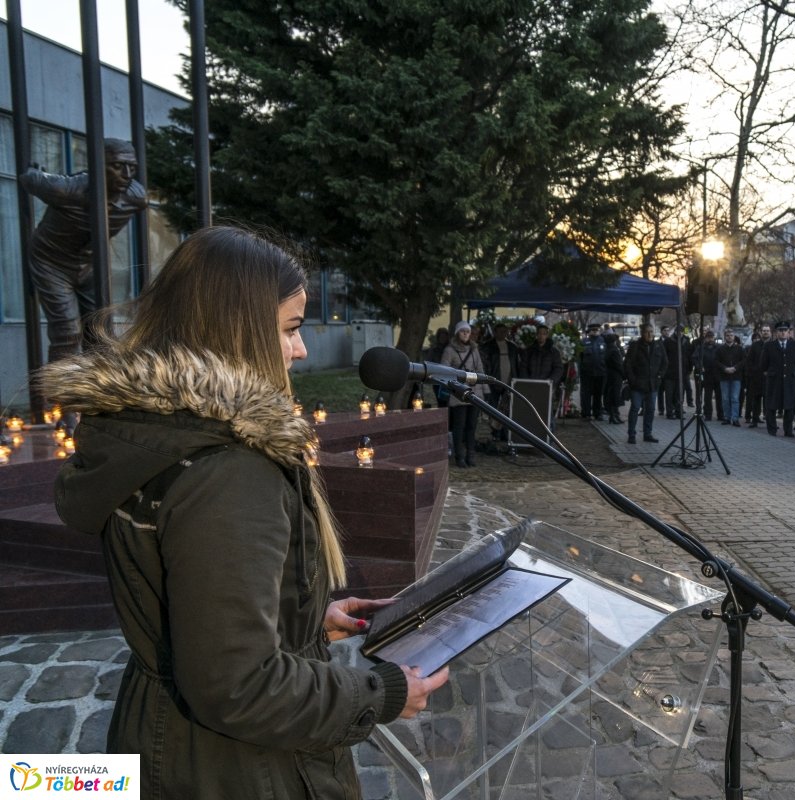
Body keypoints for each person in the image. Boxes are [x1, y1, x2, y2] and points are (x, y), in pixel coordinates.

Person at [37, 226, 448, 798]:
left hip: (172, 738)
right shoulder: (228, 469)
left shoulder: (158, 434)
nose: (301, 350)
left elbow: (199, 610)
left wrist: (302, 622)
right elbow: (238, 685)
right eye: (290, 328)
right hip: (232, 767)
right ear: (238, 330)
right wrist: (380, 693)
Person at [19, 139, 149, 362]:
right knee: (67, 332)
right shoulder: (68, 189)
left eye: (132, 167)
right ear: (97, 164)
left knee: (100, 333)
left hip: (90, 264)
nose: (127, 174)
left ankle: (96, 383)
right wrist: (35, 173)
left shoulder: (136, 197)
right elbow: (30, 180)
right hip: (51, 262)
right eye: (117, 166)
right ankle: (57, 386)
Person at [443, 321, 486, 467]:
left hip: (474, 392)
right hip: (459, 393)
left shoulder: (474, 350)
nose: (466, 334)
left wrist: (485, 390)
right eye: (463, 331)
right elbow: (445, 371)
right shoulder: (449, 350)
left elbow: (480, 369)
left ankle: (470, 455)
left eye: (468, 331)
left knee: (471, 426)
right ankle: (459, 456)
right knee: (459, 426)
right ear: (457, 333)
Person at [624, 323, 667, 444]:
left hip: (652, 385)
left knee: (650, 410)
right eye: (647, 332)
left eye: (651, 331)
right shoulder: (635, 346)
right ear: (642, 333)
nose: (649, 334)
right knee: (635, 408)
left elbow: (665, 362)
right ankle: (631, 434)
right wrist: (632, 380)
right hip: (638, 384)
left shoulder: (658, 345)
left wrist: (659, 376)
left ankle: (647, 434)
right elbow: (628, 364)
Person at [480, 322, 520, 442]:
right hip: (493, 382)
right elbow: (485, 365)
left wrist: (516, 379)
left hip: (509, 382)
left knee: (507, 409)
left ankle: (505, 432)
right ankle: (495, 432)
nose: (503, 333)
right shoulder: (487, 346)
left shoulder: (512, 347)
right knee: (493, 409)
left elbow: (516, 364)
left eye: (505, 331)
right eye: (501, 331)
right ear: (495, 332)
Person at [762, 321, 795, 436]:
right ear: (776, 332)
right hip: (774, 381)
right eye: (780, 330)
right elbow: (763, 364)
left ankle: (788, 430)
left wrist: (793, 373)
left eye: (785, 330)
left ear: (789, 332)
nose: (783, 333)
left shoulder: (794, 345)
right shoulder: (769, 346)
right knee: (771, 405)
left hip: (789, 380)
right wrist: (770, 373)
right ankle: (772, 429)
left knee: (789, 406)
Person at [578, 322, 607, 421]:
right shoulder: (583, 342)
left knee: (598, 394)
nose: (595, 332)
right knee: (586, 394)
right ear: (589, 331)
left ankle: (597, 413)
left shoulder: (603, 341)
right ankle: (586, 413)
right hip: (587, 373)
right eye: (593, 330)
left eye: (596, 330)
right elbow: (580, 358)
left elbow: (606, 357)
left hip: (600, 373)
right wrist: (580, 371)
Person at [715, 328, 745, 425]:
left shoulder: (739, 349)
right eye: (727, 335)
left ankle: (735, 418)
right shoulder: (720, 349)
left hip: (736, 377)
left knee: (735, 398)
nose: (729, 337)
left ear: (734, 337)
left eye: (731, 335)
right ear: (725, 337)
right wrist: (724, 368)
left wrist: (735, 368)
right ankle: (727, 417)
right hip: (724, 377)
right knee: (725, 399)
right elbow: (716, 361)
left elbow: (744, 361)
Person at [744, 323, 772, 427]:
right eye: (764, 331)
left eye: (767, 331)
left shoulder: (774, 345)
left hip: (769, 378)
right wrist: (755, 371)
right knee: (756, 399)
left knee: (769, 401)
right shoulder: (755, 345)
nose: (766, 332)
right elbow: (749, 361)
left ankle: (770, 421)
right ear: (761, 332)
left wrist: (769, 371)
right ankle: (754, 420)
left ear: (770, 332)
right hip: (756, 377)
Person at [603, 331, 626, 424]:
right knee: (615, 396)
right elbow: (619, 365)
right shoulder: (614, 351)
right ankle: (614, 416)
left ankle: (614, 415)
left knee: (611, 395)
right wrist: (624, 375)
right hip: (616, 376)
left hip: (609, 375)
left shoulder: (607, 349)